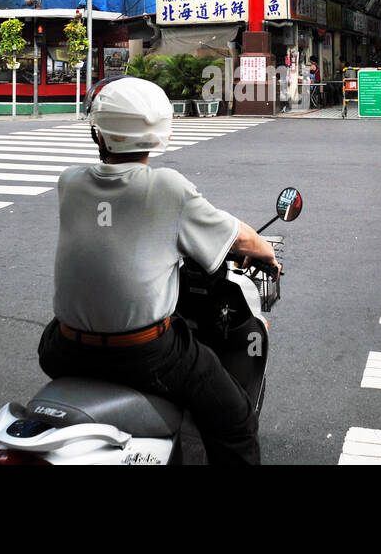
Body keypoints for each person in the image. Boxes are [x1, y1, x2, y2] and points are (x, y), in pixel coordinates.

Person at [36, 75, 279, 465]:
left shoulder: (71, 183)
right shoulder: (169, 188)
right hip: (144, 353)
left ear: (99, 134)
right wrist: (267, 253)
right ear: (160, 135)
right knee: (235, 422)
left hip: (63, 349)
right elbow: (241, 240)